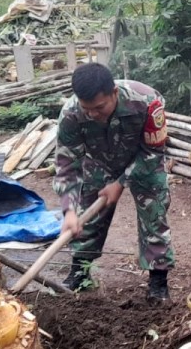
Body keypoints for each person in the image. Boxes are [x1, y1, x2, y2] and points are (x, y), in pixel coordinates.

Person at [52, 62, 175, 300]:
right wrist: (69, 210)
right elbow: (67, 164)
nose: (92, 114)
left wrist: (120, 183)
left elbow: (153, 151)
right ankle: (80, 272)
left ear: (114, 93)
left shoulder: (147, 101)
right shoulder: (71, 114)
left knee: (154, 215)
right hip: (100, 162)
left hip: (143, 160)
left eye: (99, 107)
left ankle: (158, 282)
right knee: (87, 215)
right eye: (87, 109)